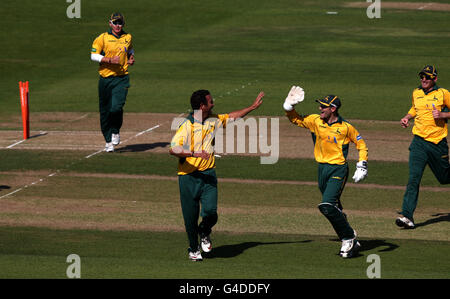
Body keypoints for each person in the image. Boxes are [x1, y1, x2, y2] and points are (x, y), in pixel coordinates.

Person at [169, 89, 264, 261]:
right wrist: (194, 154)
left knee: (211, 213)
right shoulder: (186, 126)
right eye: (210, 102)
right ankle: (193, 249)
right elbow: (173, 148)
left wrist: (252, 107)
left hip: (208, 175)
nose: (213, 104)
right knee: (190, 219)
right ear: (202, 106)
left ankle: (205, 231)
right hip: (188, 178)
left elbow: (231, 117)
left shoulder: (213, 120)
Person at [283, 86, 368, 258]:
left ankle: (348, 238)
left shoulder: (346, 128)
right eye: (320, 106)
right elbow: (296, 120)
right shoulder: (316, 121)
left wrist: (362, 164)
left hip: (338, 168)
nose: (320, 109)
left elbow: (361, 144)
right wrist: (289, 107)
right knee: (334, 208)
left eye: (323, 106)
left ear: (333, 109)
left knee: (327, 206)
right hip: (322, 169)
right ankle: (351, 238)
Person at [397, 65, 450, 229]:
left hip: (437, 143)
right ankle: (408, 216)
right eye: (422, 76)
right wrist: (407, 117)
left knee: (444, 178)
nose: (424, 79)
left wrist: (443, 115)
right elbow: (414, 108)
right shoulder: (416, 92)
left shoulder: (443, 93)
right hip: (419, 142)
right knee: (413, 179)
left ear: (434, 79)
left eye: (427, 77)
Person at [90, 12, 135, 152]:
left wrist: (131, 57)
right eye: (115, 23)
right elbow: (93, 55)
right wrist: (109, 60)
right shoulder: (102, 38)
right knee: (104, 111)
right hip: (105, 79)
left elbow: (130, 49)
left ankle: (115, 130)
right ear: (110, 23)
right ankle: (108, 141)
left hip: (121, 78)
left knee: (116, 107)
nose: (117, 25)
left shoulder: (128, 37)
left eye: (120, 23)